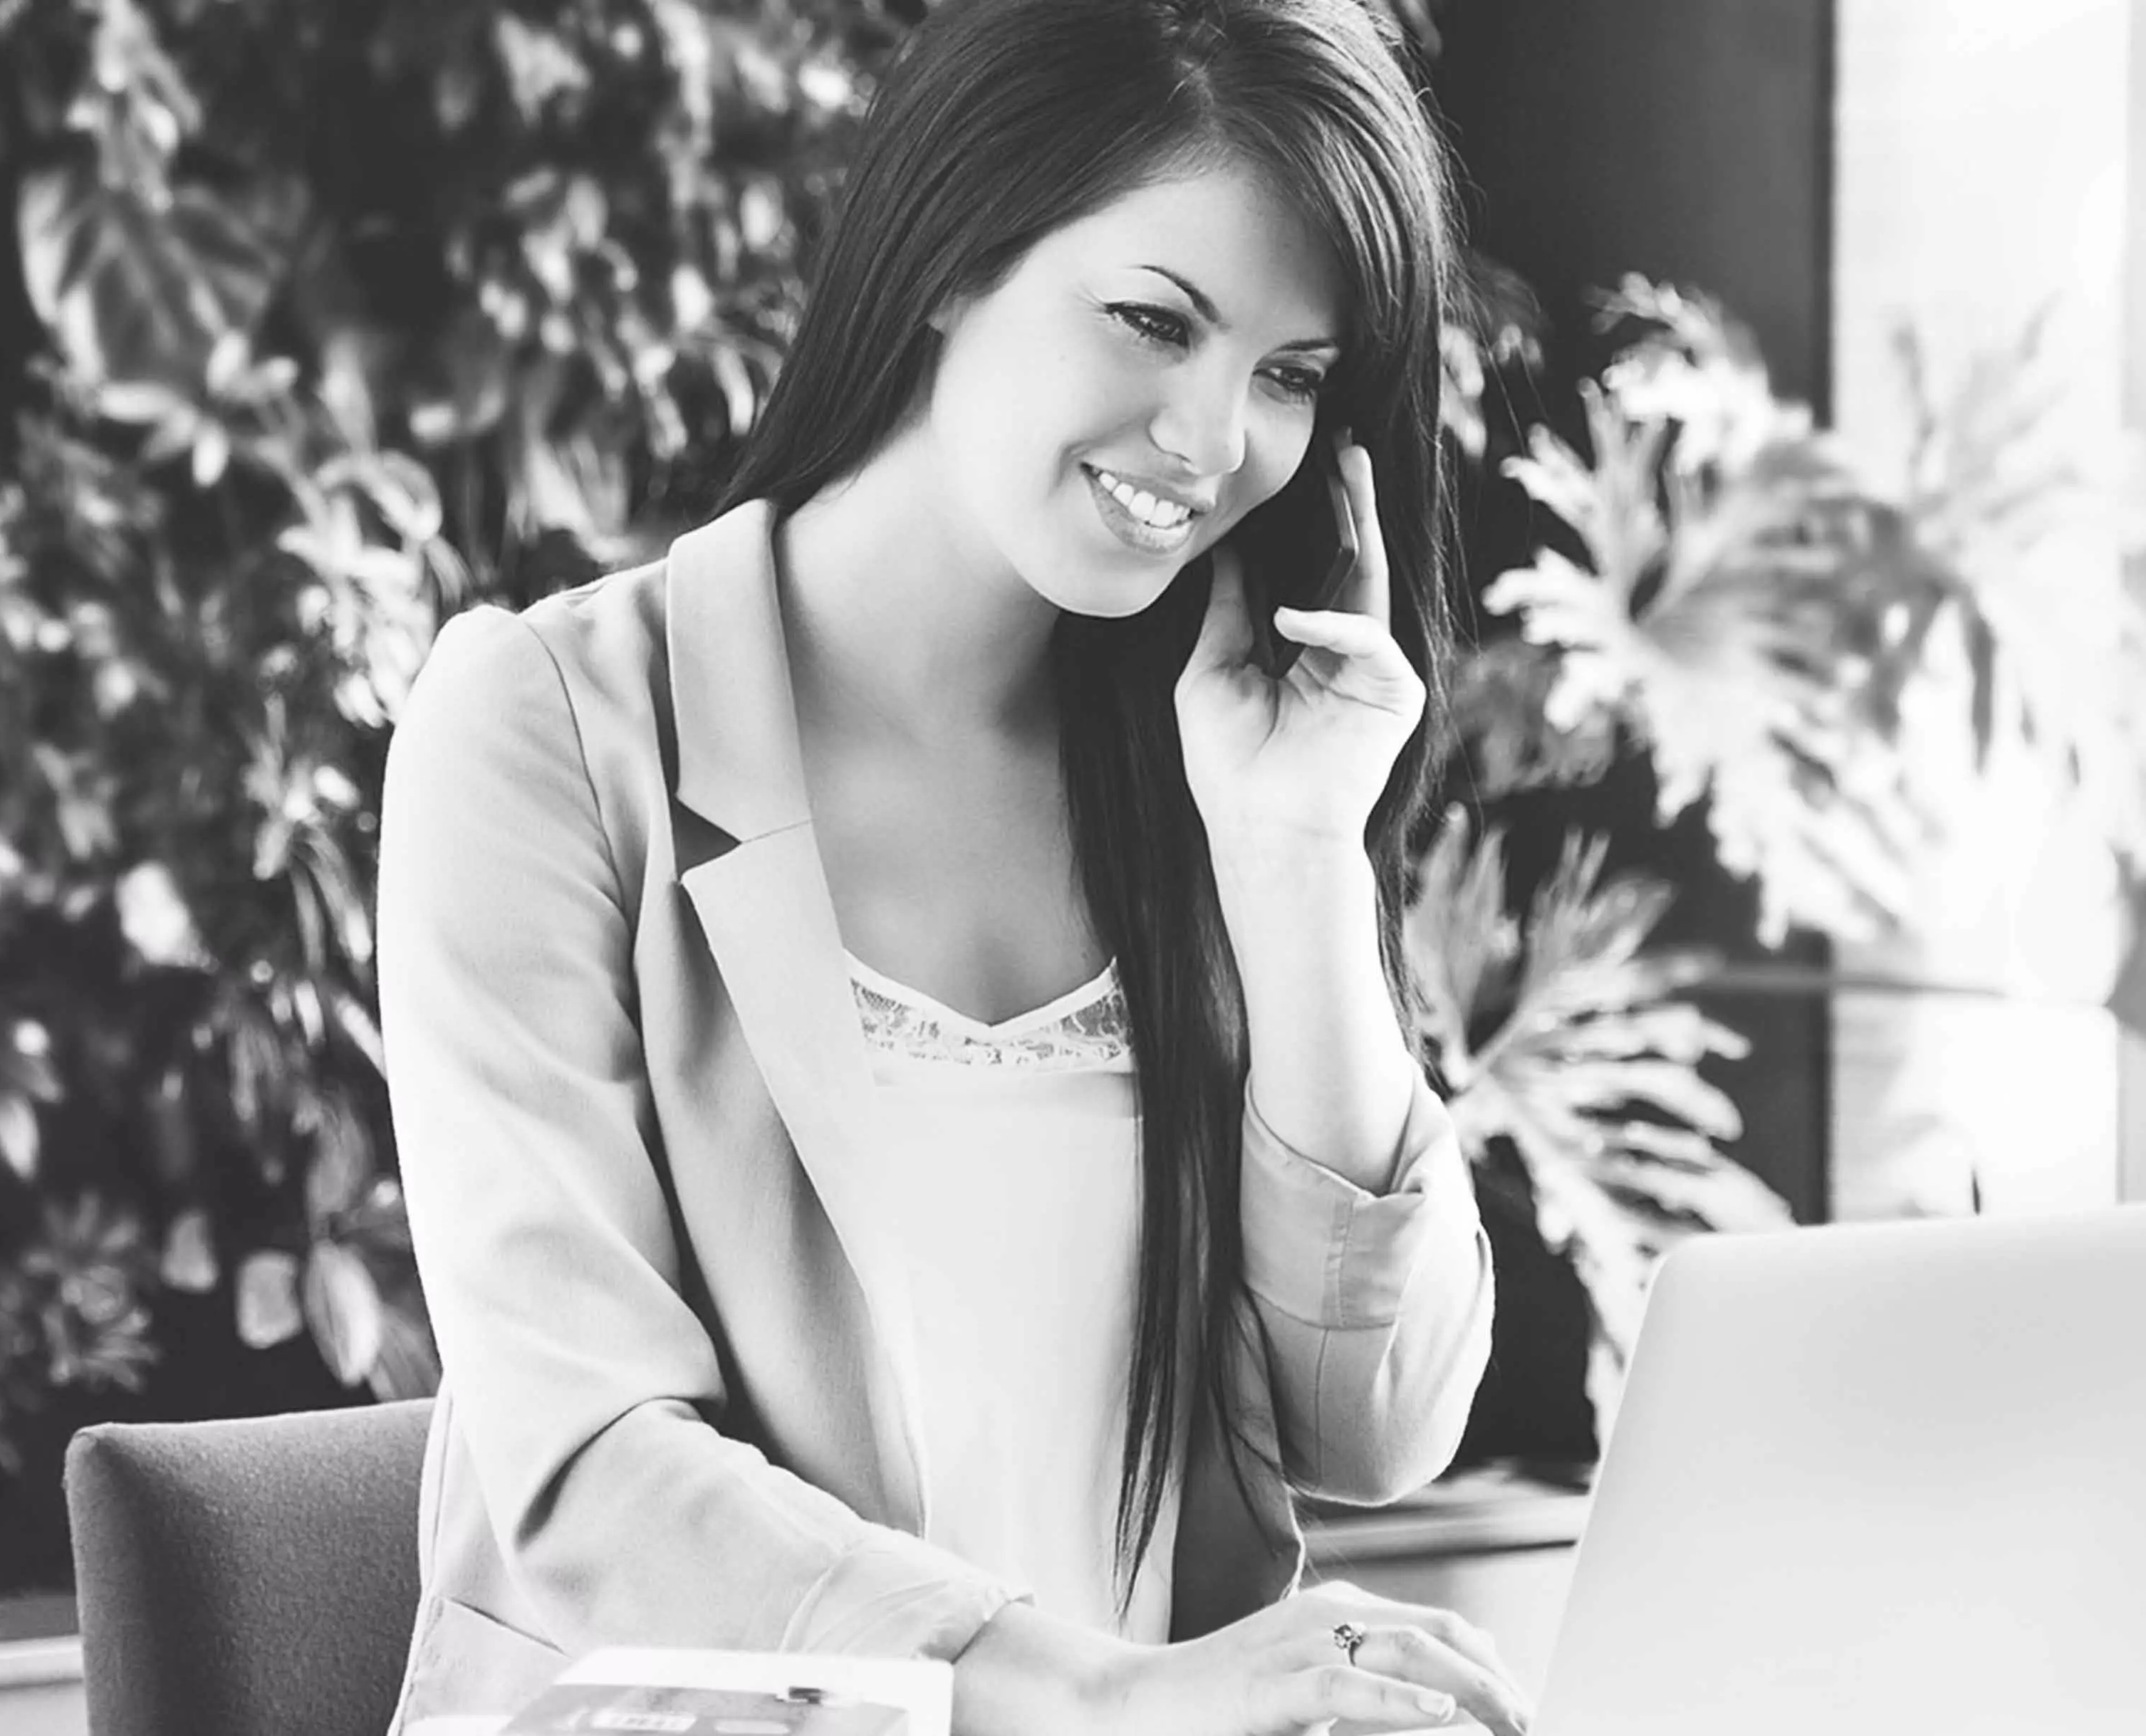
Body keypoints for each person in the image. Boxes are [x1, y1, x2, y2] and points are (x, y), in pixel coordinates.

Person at [373, 2, 1524, 1733]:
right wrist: (1113, 1695)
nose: (1214, 441)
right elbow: (592, 1466)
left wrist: (1293, 869)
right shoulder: (546, 728)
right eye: (1153, 320)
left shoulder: (1203, 764)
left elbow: (1383, 1421)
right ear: (944, 262)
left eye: (1290, 375)